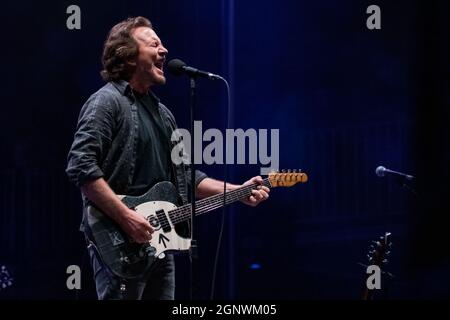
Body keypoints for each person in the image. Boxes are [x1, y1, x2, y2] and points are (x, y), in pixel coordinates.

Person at [66, 16, 269, 300]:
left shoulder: (164, 115)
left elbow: (186, 178)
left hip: (159, 243)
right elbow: (81, 168)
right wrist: (127, 218)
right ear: (127, 54)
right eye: (155, 44)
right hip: (119, 241)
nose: (165, 51)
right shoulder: (106, 102)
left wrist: (237, 191)